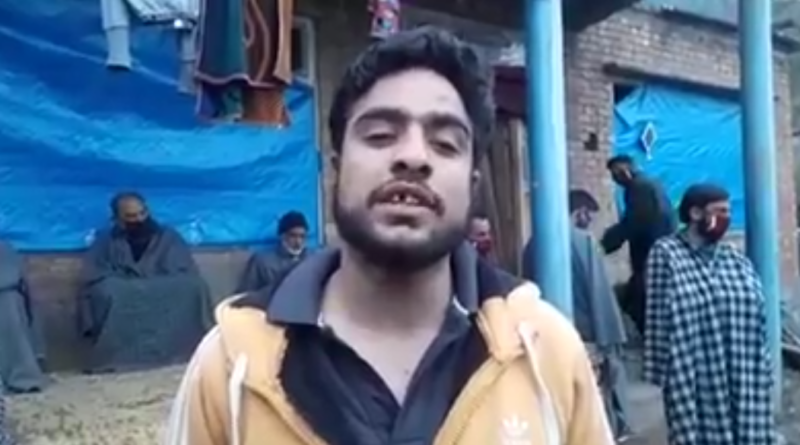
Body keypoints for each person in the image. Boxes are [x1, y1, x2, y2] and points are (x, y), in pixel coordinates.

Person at [165, 27, 613, 445]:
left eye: (445, 143)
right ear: (337, 171)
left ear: (472, 185)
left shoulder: (547, 352)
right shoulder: (229, 365)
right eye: (380, 135)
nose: (413, 157)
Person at [644, 184, 776, 445]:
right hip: (695, 372)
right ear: (695, 213)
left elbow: (759, 317)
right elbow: (657, 315)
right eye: (720, 211)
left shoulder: (734, 259)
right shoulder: (667, 253)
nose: (726, 218)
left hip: (744, 368)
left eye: (729, 211)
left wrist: (766, 365)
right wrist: (659, 371)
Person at [523, 189, 631, 439]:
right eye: (589, 215)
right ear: (580, 213)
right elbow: (600, 294)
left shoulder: (532, 245)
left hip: (544, 338)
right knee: (593, 405)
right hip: (587, 338)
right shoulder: (583, 242)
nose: (589, 222)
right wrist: (611, 341)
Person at [78, 192, 213, 372]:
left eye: (143, 213)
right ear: (117, 219)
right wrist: (129, 283)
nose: (140, 220)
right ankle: (119, 359)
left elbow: (184, 269)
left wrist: (150, 283)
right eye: (131, 216)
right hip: (125, 288)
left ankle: (190, 352)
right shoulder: (106, 240)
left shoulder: (168, 236)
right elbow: (95, 275)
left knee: (194, 286)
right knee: (107, 291)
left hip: (162, 286)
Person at [601, 154, 676, 335]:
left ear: (625, 170)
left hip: (650, 252)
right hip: (658, 249)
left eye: (615, 174)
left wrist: (605, 244)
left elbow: (633, 222)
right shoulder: (650, 184)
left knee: (642, 299)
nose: (615, 179)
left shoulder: (639, 188)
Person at [0, 240, 47, 393]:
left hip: (6, 299)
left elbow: (11, 278)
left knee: (9, 308)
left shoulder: (4, 248)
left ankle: (20, 377)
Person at [237, 210, 309, 293]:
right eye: (293, 236)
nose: (298, 242)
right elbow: (246, 292)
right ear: (282, 236)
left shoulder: (311, 260)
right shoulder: (263, 261)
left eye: (302, 236)